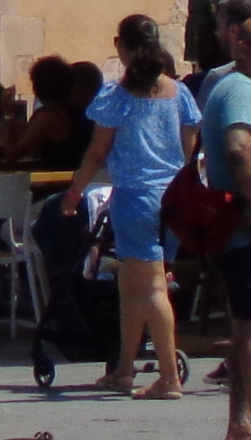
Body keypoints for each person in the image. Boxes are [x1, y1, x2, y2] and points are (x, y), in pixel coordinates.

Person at [65, 37, 197, 400]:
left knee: (151, 287)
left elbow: (96, 152)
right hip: (171, 196)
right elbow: (190, 143)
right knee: (133, 285)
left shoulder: (117, 97)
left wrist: (75, 192)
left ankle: (168, 377)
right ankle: (125, 367)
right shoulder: (179, 93)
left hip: (135, 195)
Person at [195, 5, 251, 440]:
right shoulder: (239, 89)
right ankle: (242, 421)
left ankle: (242, 421)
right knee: (245, 325)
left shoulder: (228, 84)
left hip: (235, 229)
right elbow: (237, 150)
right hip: (244, 227)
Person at [0, 55, 77, 169]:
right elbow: (32, 132)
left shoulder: (46, 118)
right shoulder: (65, 110)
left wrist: (7, 115)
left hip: (56, 181)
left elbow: (12, 156)